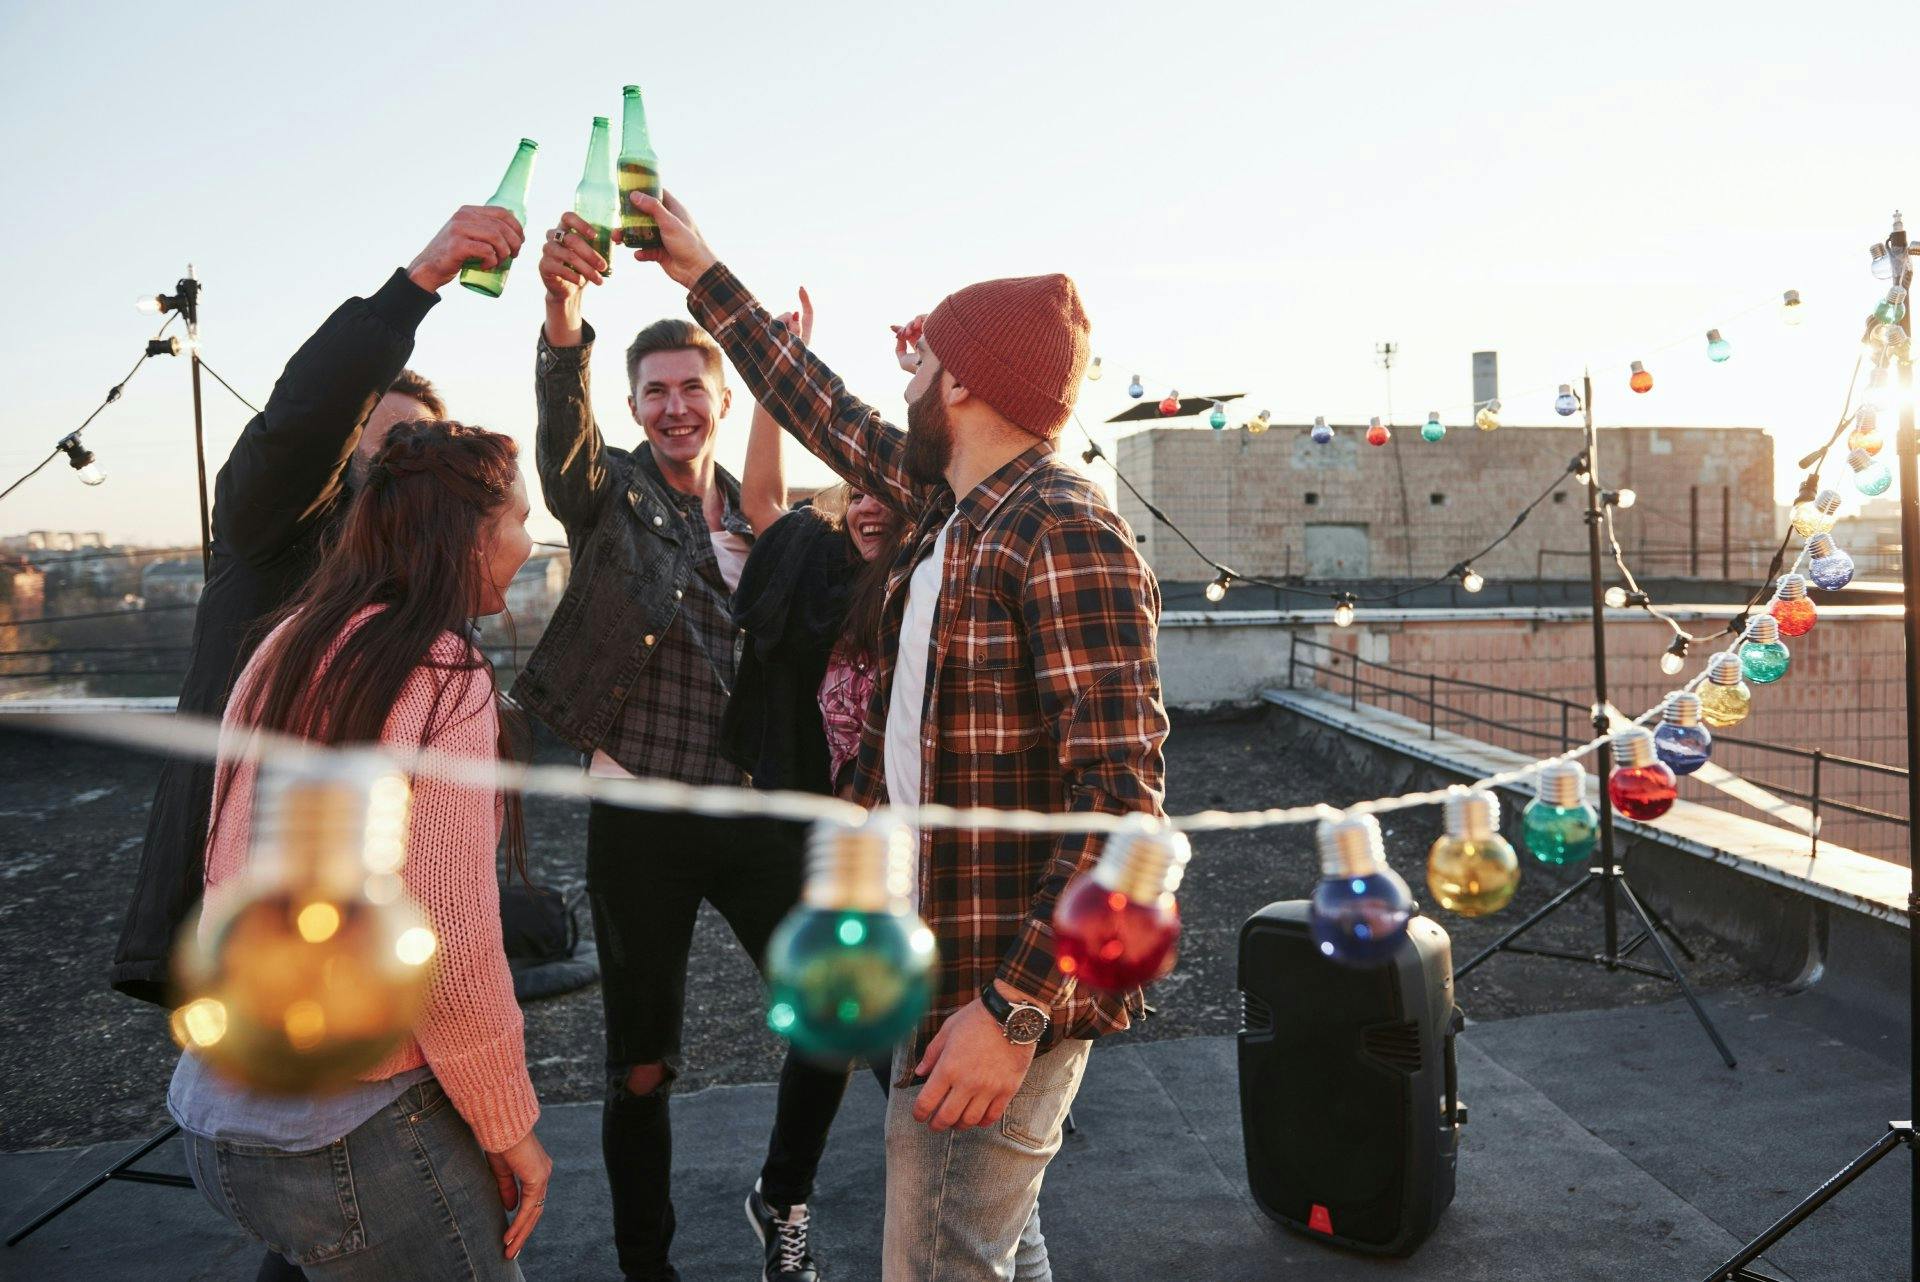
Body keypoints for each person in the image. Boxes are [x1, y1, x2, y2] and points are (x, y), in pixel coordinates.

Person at [629, 189, 1171, 1282]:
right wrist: (701, 272)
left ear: (964, 381)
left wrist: (1011, 1009)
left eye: (925, 360)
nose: (909, 378)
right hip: (942, 970)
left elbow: (1123, 815)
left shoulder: (1061, 526)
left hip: (993, 989)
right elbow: (822, 409)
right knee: (996, 1252)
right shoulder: (956, 514)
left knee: (937, 1264)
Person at [109, 204, 521, 1282]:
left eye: (416, 454)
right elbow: (301, 418)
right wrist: (420, 281)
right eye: (377, 444)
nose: (396, 470)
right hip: (242, 954)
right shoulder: (270, 541)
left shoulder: (413, 639)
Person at [516, 215, 859, 1282]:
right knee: (641, 1069)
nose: (673, 407)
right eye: (653, 391)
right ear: (634, 406)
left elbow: (790, 522)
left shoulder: (759, 518)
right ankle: (645, 1263)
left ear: (714, 399)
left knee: (830, 1015)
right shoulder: (608, 495)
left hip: (749, 812)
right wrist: (564, 317)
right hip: (641, 822)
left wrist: (775, 369)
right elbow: (562, 448)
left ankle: (782, 1194)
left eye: (689, 389)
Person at [170, 419, 551, 1279]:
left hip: (219, 1108)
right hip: (352, 1128)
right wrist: (509, 1128)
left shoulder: (287, 641)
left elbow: (226, 867)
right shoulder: (444, 674)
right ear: (470, 534)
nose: (530, 543)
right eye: (521, 520)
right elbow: (447, 940)